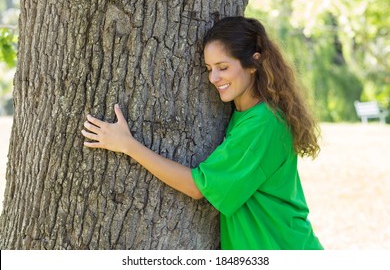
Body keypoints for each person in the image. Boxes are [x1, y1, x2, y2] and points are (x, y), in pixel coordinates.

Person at [81, 16, 323, 250]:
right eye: (209, 68)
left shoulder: (263, 124)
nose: (213, 78)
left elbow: (197, 187)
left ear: (253, 64)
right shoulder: (246, 113)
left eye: (223, 67)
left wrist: (128, 145)